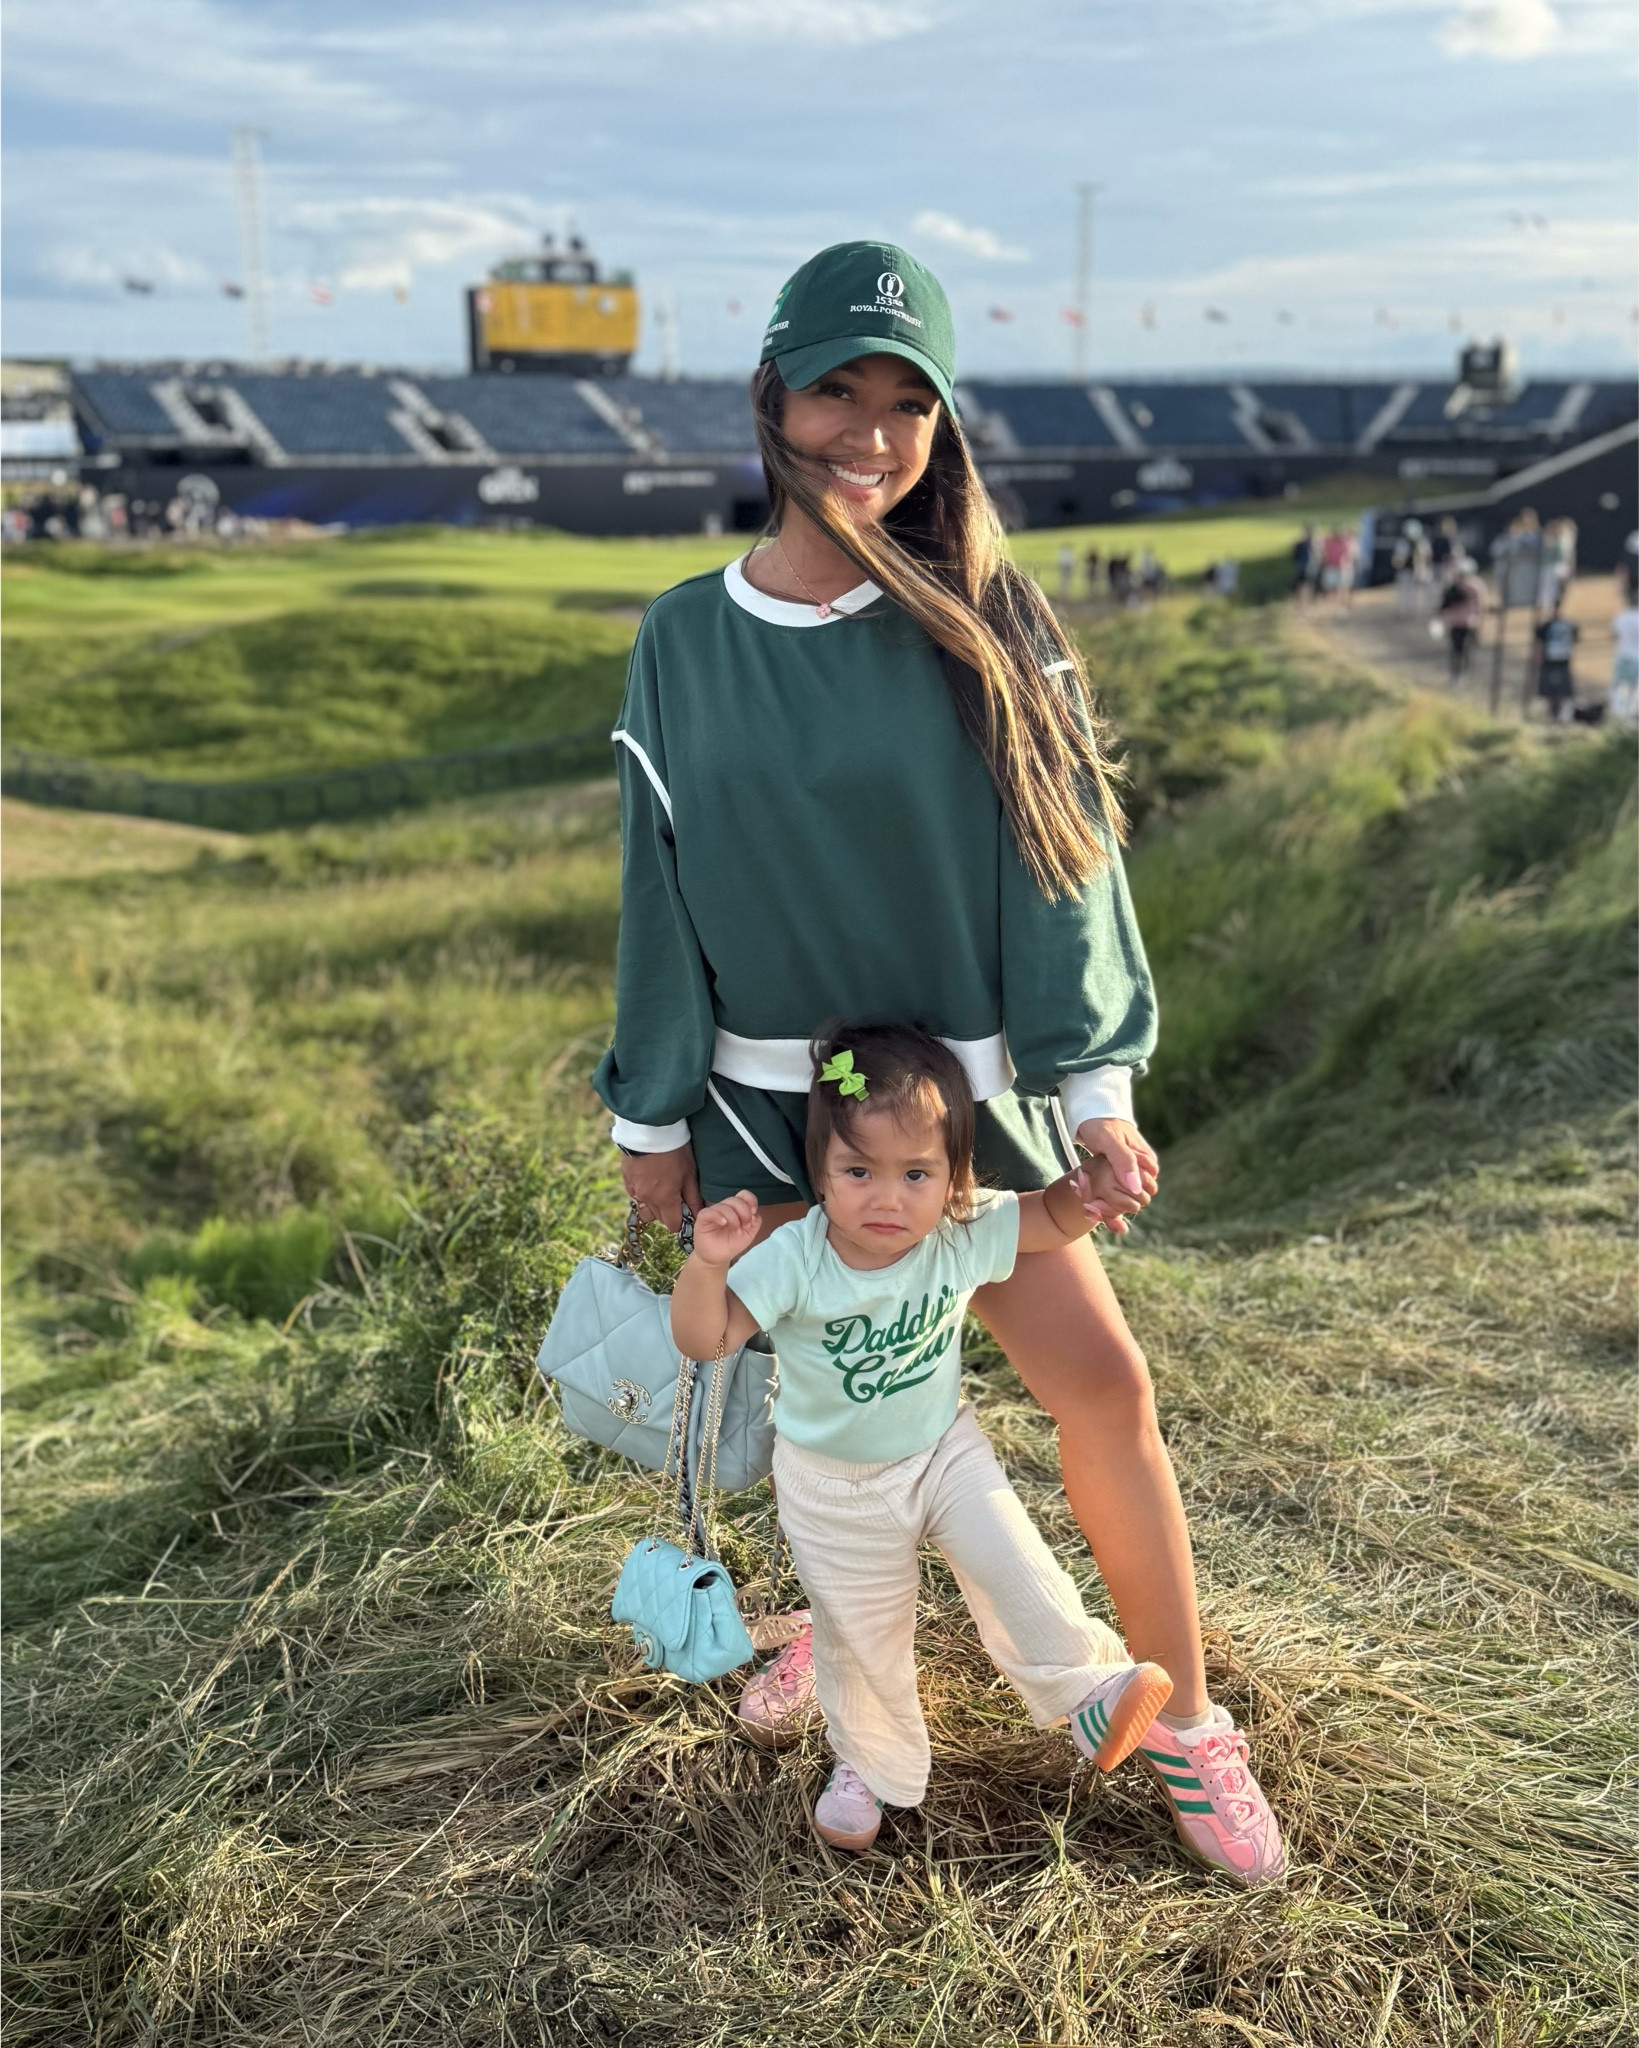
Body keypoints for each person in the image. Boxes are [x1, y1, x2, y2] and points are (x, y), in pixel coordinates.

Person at [595, 239, 1284, 1885]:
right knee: (804, 1411)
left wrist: (1092, 1099)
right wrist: (649, 1110)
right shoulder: (683, 638)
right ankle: (822, 1638)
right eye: (838, 384)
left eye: (908, 398)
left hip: (966, 1123)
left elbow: (1066, 866)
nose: (870, 427)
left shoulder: (984, 614)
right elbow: (659, 879)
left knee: (1102, 1392)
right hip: (769, 1120)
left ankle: (1178, 1717)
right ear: (771, 393)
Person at [670, 1025, 1210, 1859]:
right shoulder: (798, 1257)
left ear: (953, 1178)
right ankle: (868, 1767)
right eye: (859, 1172)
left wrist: (1091, 1194)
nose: (887, 1200)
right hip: (833, 1486)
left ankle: (1093, 1690)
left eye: (915, 1174)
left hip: (943, 1452)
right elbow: (705, 1342)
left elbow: (1049, 1217)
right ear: (820, 1174)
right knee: (862, 1636)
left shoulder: (958, 1230)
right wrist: (707, 1265)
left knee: (1017, 1562)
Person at [1436, 555, 1486, 683]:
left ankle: (1456, 675)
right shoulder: (1477, 584)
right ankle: (1464, 673)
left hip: (1456, 622)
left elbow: (1444, 603)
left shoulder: (1455, 585)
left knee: (1456, 649)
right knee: (1467, 649)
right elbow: (1481, 605)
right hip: (1471, 622)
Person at [1533, 599, 1579, 723]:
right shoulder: (1562, 625)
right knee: (1553, 689)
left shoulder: (1560, 625)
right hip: (1555, 659)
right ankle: (1554, 714)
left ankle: (1558, 714)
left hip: (1558, 659)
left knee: (1558, 689)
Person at [1609, 600, 1639, 730]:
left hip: (1622, 655)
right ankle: (1630, 720)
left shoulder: (1621, 616)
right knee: (1633, 690)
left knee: (1618, 687)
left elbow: (1613, 635)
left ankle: (1617, 714)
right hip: (1636, 657)